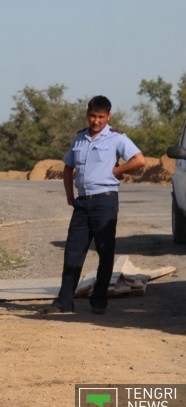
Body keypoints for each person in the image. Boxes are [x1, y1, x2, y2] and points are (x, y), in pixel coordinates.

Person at [45, 96, 145, 315]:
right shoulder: (80, 138)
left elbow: (139, 160)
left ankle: (99, 299)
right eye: (92, 116)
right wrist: (70, 195)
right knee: (73, 252)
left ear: (108, 116)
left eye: (100, 117)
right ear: (87, 115)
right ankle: (64, 301)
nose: (96, 121)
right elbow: (67, 168)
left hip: (104, 201)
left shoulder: (117, 138)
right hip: (83, 203)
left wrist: (116, 171)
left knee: (104, 251)